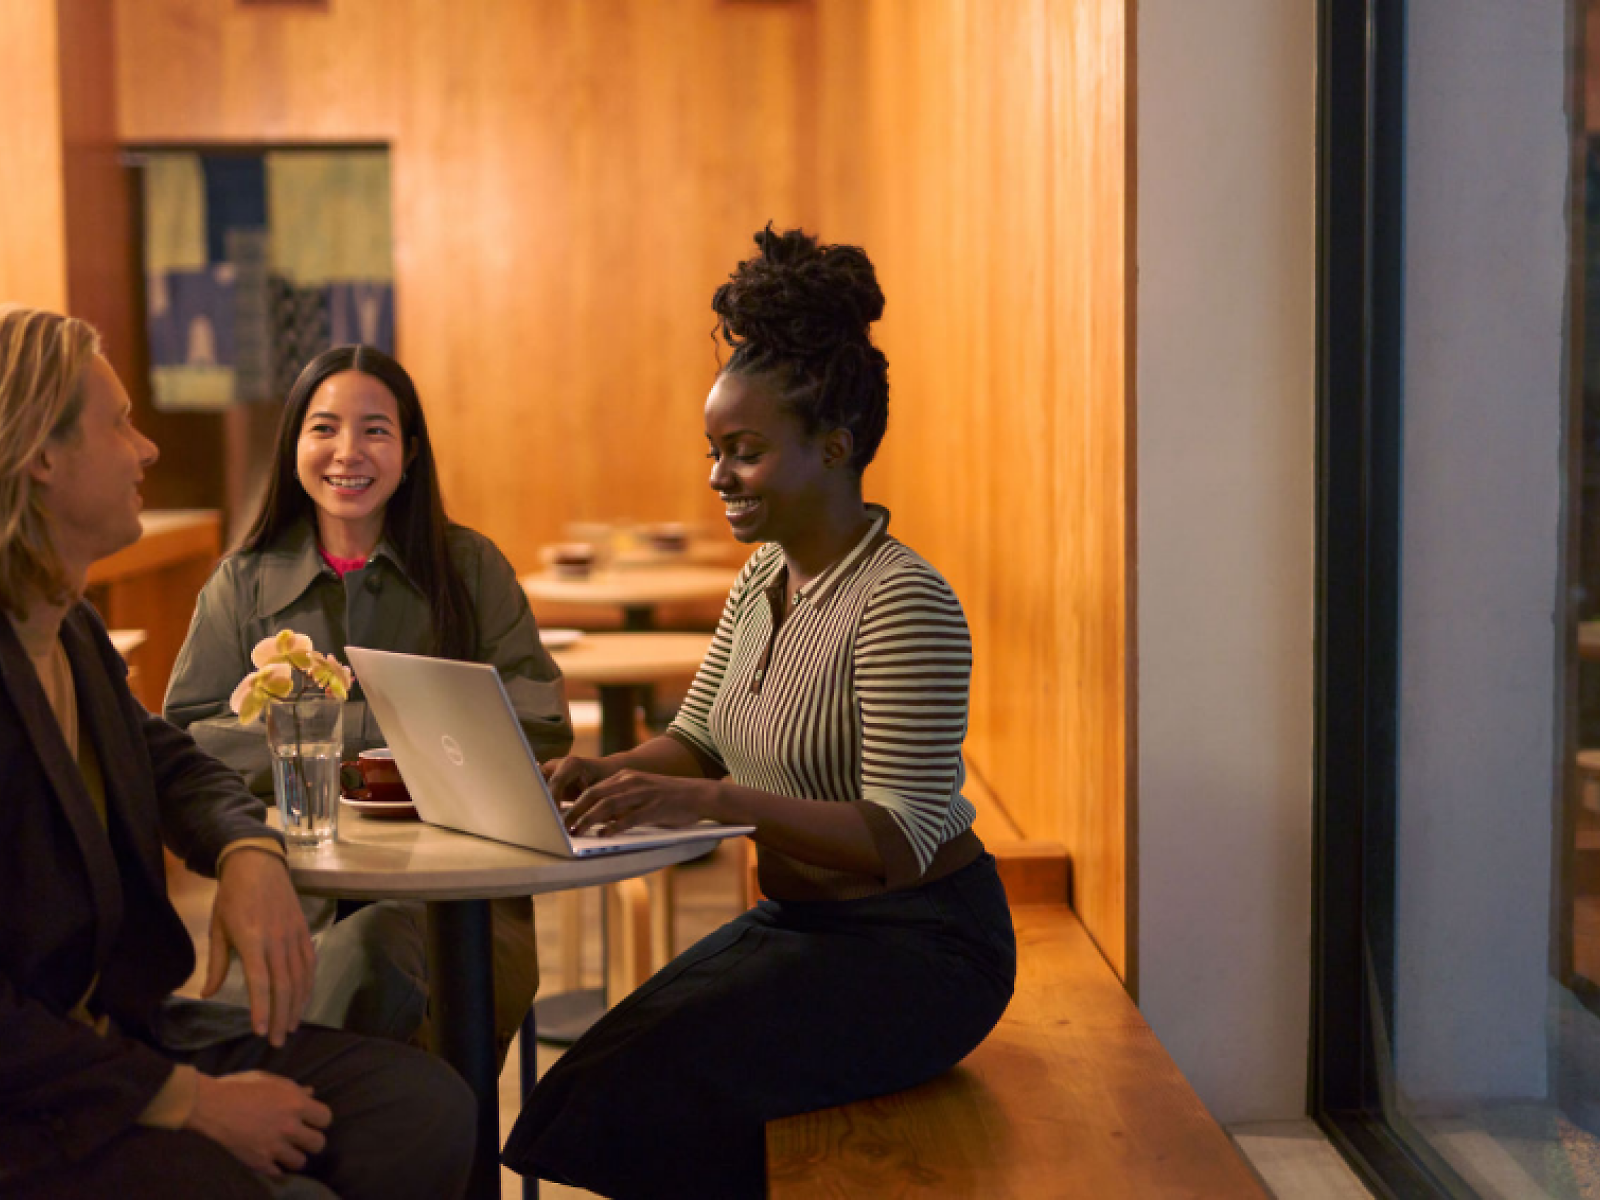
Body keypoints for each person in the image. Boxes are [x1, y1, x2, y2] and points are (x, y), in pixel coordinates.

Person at [501, 226, 1018, 1198]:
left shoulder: (904, 601)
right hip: (799, 923)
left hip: (921, 948)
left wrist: (712, 810)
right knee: (582, 1093)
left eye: (742, 453)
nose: (716, 479)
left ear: (834, 446)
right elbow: (697, 742)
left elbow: (901, 838)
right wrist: (608, 774)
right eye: (712, 451)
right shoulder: (761, 579)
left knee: (640, 1102)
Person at [0, 305, 473, 1199]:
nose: (145, 451)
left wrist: (247, 848)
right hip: (37, 1093)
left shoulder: (70, 633)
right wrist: (183, 1101)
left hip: (119, 1036)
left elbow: (168, 758)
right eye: (120, 425)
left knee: (423, 1110)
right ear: (41, 456)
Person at [163, 345, 572, 1061]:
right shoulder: (239, 586)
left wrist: (320, 735)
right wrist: (392, 734)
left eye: (375, 430)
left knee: (367, 960)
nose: (348, 451)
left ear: (410, 453)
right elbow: (189, 743)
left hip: (455, 908)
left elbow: (537, 722)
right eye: (323, 428)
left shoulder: (470, 569)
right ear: (293, 446)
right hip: (291, 899)